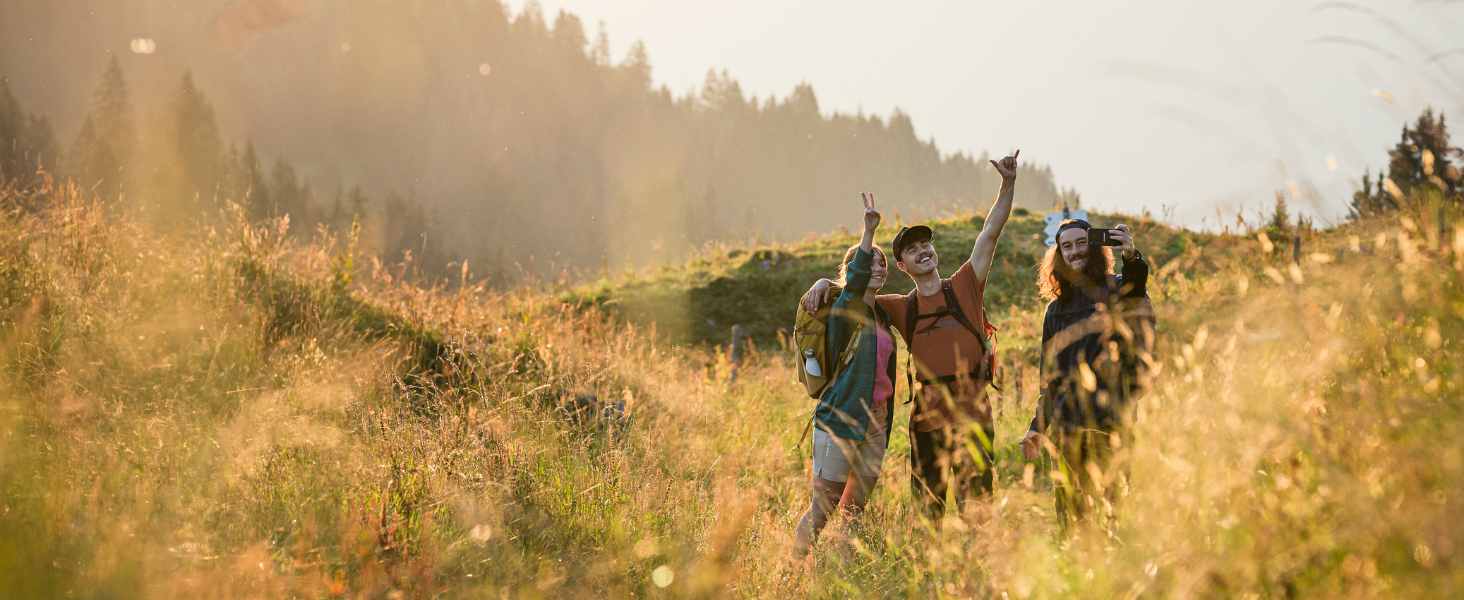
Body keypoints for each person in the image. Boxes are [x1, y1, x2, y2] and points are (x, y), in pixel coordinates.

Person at [803, 151, 1021, 520]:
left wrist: (1008, 184)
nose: (924, 251)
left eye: (926, 245)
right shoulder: (901, 307)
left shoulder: (966, 285)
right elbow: (856, 295)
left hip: (974, 416)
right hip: (926, 423)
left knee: (978, 512)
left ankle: (976, 575)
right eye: (913, 250)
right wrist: (826, 282)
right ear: (902, 266)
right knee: (928, 516)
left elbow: (990, 233)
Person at [1019, 219, 1153, 528]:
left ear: (1094, 248)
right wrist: (1036, 427)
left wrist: (1132, 256)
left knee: (1111, 513)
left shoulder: (1117, 289)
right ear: (1059, 255)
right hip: (1068, 429)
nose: (1075, 251)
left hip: (1111, 426)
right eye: (1067, 247)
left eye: (1081, 243)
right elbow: (1049, 380)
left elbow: (1136, 287)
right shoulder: (1055, 310)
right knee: (1071, 517)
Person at [793, 192, 899, 557]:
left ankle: (844, 579)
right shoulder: (846, 308)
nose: (878, 268)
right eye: (871, 263)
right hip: (840, 421)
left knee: (855, 513)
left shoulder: (882, 317)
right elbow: (853, 281)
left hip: (876, 424)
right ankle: (793, 574)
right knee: (823, 510)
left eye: (883, 264)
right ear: (852, 272)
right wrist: (868, 232)